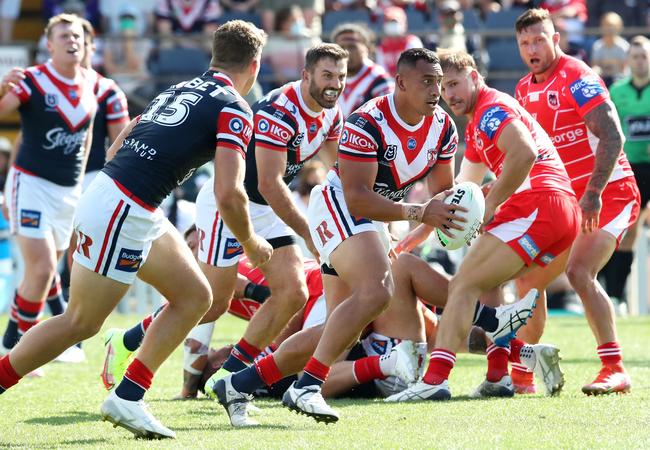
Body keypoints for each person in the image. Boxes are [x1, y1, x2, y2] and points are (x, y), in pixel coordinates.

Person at [208, 48, 542, 426]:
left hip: (373, 219)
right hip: (339, 206)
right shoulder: (368, 120)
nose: (437, 92)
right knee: (378, 292)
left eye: (439, 83)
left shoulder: (444, 127)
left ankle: (238, 384)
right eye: (427, 82)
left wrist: (463, 215)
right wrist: (419, 214)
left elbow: (443, 194)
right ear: (400, 83)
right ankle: (306, 387)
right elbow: (357, 197)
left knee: (341, 328)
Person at [0, 20, 272, 440]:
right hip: (125, 206)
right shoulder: (236, 106)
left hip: (126, 199)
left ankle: (128, 397)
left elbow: (117, 145)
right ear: (254, 66)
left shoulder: (181, 88)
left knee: (196, 296)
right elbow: (229, 193)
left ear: (213, 57)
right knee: (80, 323)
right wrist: (252, 243)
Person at [388, 49, 579, 403]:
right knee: (488, 285)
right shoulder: (478, 125)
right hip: (555, 209)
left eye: (456, 84)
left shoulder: (490, 111)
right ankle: (502, 373)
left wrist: (490, 206)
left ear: (475, 76)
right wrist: (423, 229)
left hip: (539, 203)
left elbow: (524, 154)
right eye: (443, 89)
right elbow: (460, 192)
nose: (450, 95)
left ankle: (435, 379)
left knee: (462, 285)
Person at [193, 43, 347, 392]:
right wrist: (310, 232)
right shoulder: (280, 111)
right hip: (230, 201)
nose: (334, 84)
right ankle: (128, 339)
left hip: (268, 207)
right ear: (306, 75)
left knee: (294, 292)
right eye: (327, 75)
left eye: (340, 76)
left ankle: (227, 374)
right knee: (212, 303)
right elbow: (269, 182)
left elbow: (341, 173)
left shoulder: (332, 113)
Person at [514, 8, 640, 395]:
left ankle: (614, 368)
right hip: (567, 199)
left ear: (556, 39)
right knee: (527, 281)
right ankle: (523, 375)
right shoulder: (522, 89)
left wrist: (593, 193)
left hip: (609, 193)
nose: (533, 48)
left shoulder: (578, 76)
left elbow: (614, 136)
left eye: (539, 39)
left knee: (579, 271)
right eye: (525, 43)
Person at [0, 14, 97, 363]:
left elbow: (84, 141)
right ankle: (16, 348)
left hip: (68, 190)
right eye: (63, 35)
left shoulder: (91, 82)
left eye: (76, 35)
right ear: (49, 44)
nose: (72, 40)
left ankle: (18, 339)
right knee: (40, 270)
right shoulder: (33, 80)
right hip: (32, 184)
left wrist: (79, 185)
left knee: (47, 272)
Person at [602, 36, 650, 308]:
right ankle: (616, 295)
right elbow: (610, 131)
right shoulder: (618, 92)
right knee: (627, 231)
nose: (640, 61)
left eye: (644, 56)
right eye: (635, 56)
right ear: (627, 61)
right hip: (632, 168)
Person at [331, 22, 394, 118]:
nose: (346, 52)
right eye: (341, 47)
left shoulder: (380, 80)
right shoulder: (328, 80)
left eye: (352, 47)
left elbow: (390, 117)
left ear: (368, 48)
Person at [376, 7, 424, 76]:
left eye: (395, 22)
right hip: (390, 83)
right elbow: (382, 71)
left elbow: (417, 67)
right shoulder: (381, 47)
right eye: (389, 21)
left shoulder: (412, 41)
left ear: (404, 23)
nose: (393, 25)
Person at [591, 12, 629, 87]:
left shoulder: (624, 46)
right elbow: (595, 67)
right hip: (602, 81)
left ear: (619, 27)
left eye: (612, 26)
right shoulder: (597, 46)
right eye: (607, 25)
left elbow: (625, 71)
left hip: (619, 82)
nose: (609, 29)